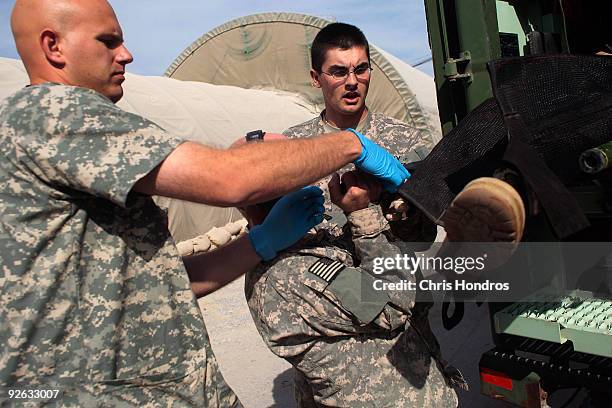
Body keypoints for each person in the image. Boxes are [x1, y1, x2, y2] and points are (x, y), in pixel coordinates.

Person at [0, 0, 411, 406]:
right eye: (108, 41)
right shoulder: (52, 114)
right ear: (54, 46)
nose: (126, 54)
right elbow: (228, 178)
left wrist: (260, 244)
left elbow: (163, 280)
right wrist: (350, 147)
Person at [243, 170, 462, 407]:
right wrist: (362, 213)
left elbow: (378, 246)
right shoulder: (287, 274)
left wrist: (375, 200)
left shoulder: (305, 240)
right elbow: (393, 304)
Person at [282, 22, 437, 240]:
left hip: (389, 270)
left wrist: (400, 199)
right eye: (339, 72)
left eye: (361, 69)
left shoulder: (406, 141)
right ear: (316, 78)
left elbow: (424, 237)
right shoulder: (294, 144)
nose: (353, 82)